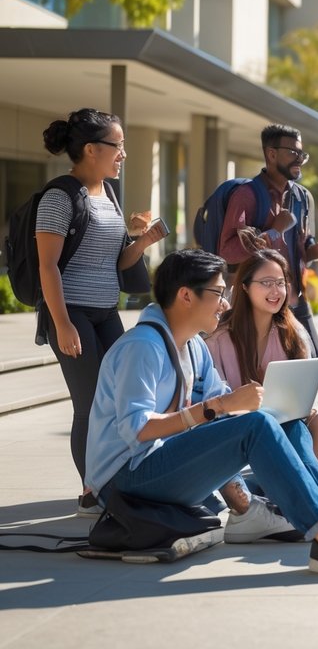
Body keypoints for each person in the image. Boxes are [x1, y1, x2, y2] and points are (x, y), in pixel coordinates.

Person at [84, 249, 318, 577]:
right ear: (185, 296)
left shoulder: (192, 347)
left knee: (279, 420)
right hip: (124, 480)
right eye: (219, 293)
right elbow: (139, 430)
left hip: (159, 467)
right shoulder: (143, 347)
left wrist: (259, 407)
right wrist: (220, 407)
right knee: (256, 424)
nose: (225, 303)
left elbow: (225, 415)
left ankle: (303, 509)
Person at [35, 108, 167, 514]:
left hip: (106, 311)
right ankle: (92, 492)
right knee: (89, 404)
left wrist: (144, 242)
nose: (123, 154)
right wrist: (61, 323)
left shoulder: (107, 195)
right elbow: (47, 265)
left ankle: (117, 479)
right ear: (91, 149)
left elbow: (116, 263)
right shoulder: (59, 198)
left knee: (120, 397)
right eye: (118, 145)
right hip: (71, 312)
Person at [206, 250, 318, 520]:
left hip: (284, 422)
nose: (276, 290)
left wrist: (308, 407)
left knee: (314, 421)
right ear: (245, 287)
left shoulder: (291, 332)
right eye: (266, 283)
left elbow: (305, 389)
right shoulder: (219, 339)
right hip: (239, 430)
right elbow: (214, 402)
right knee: (287, 424)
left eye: (281, 282)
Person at [219, 124, 318, 354]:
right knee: (262, 374)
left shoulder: (303, 198)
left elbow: (305, 245)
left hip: (295, 300)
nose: (299, 159)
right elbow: (227, 251)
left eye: (302, 154)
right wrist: (274, 232)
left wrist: (317, 250)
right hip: (257, 307)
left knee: (313, 363)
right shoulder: (246, 196)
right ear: (271, 154)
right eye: (293, 153)